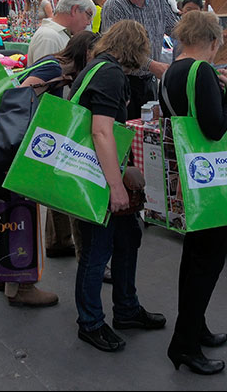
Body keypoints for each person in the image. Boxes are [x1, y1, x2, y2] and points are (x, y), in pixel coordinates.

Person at [70, 20, 166, 353]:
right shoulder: (110, 75)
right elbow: (100, 132)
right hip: (97, 176)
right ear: (135, 49)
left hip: (99, 170)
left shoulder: (98, 68)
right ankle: (91, 322)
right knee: (98, 251)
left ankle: (126, 309)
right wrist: (116, 186)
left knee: (128, 237)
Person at [0, 31, 100, 308]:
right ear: (87, 53)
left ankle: (7, 278)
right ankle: (22, 287)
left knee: (8, 215)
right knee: (21, 213)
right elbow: (18, 96)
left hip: (5, 148)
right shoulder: (53, 68)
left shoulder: (52, 66)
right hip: (15, 149)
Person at [160, 11, 227, 376]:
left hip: (185, 176)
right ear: (213, 40)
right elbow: (215, 128)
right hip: (209, 180)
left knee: (193, 259)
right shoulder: (202, 72)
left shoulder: (170, 71)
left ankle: (195, 327)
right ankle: (185, 344)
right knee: (207, 262)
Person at [25, 0, 97, 259]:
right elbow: (39, 83)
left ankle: (59, 238)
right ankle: (60, 239)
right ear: (76, 10)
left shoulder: (56, 35)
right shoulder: (51, 38)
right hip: (49, 122)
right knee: (57, 180)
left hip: (53, 120)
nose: (89, 23)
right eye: (88, 16)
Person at [101, 0, 179, 119]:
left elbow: (175, 29)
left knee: (148, 127)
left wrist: (195, 37)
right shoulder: (115, 5)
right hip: (123, 80)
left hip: (149, 81)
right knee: (126, 128)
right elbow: (118, 50)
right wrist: (151, 64)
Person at [26, 0, 95, 66]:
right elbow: (43, 75)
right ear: (74, 10)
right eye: (88, 15)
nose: (88, 22)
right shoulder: (49, 37)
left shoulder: (56, 35)